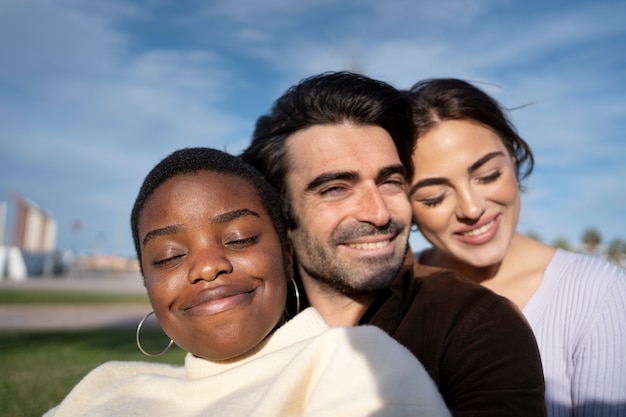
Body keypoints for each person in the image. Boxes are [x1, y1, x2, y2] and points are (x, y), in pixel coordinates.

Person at [44, 147, 452, 417]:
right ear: (147, 282)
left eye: (240, 238)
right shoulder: (106, 387)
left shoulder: (355, 361)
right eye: (168, 256)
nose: (207, 268)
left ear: (286, 255)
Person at [241, 71, 547, 417]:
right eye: (336, 188)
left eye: (390, 181)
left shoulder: (477, 326)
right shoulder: (247, 323)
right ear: (282, 211)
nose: (379, 213)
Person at [406, 78, 626, 417]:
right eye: (434, 197)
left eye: (489, 175)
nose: (471, 208)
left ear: (513, 157)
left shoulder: (602, 295)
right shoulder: (393, 295)